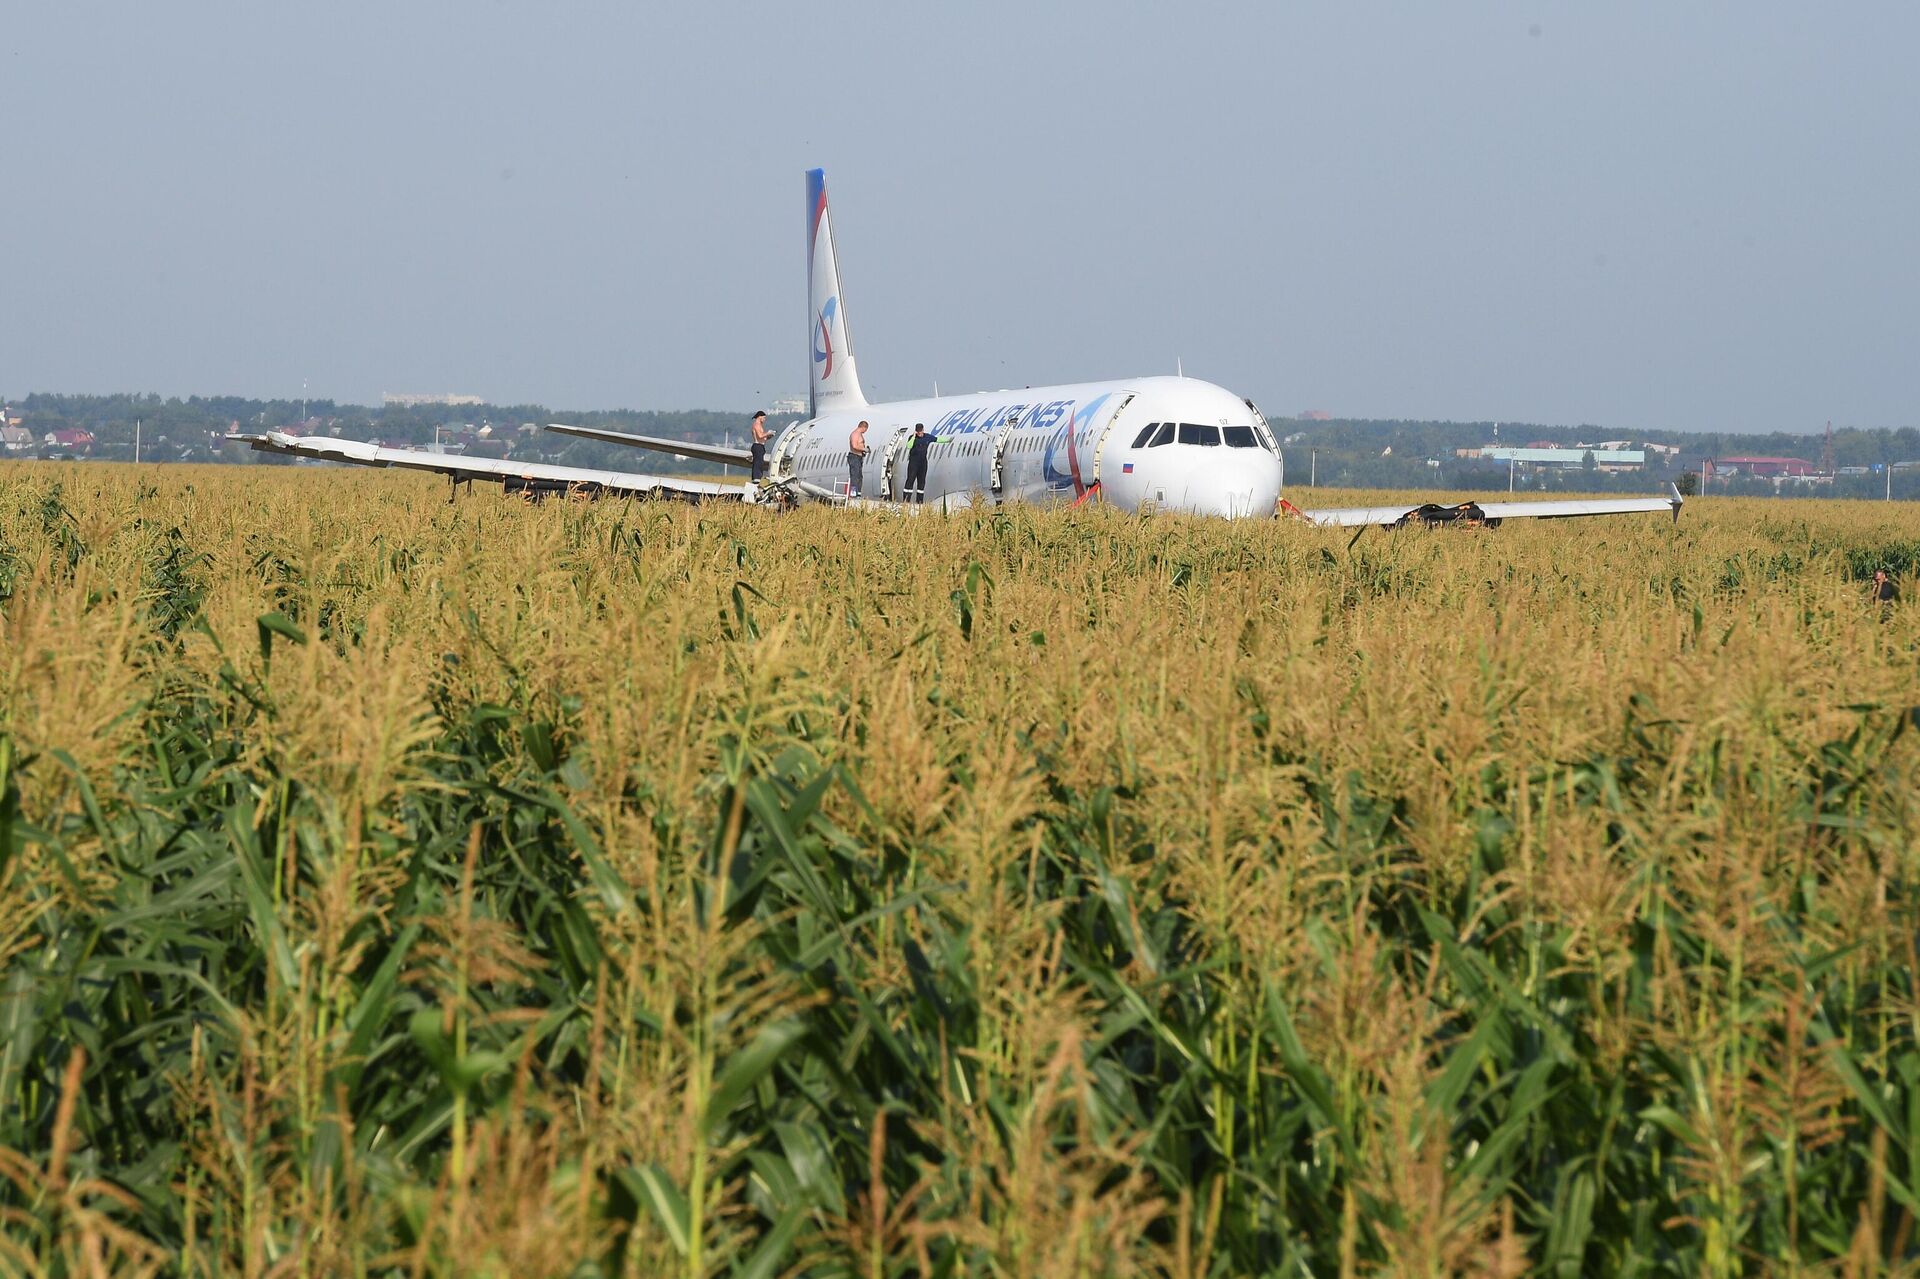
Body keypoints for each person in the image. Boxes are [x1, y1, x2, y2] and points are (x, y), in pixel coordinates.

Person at [903, 422, 946, 504]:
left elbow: (937, 439)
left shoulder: (927, 437)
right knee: (910, 480)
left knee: (921, 481)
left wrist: (948, 440)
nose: (920, 433)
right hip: (913, 462)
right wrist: (913, 437)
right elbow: (909, 446)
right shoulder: (912, 438)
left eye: (920, 431)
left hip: (923, 463)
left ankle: (919, 501)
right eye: (918, 432)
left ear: (923, 430)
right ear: (916, 431)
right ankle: (906, 499)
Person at [848, 420, 870, 498]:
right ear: (863, 427)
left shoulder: (859, 434)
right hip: (854, 456)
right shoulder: (855, 434)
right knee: (855, 476)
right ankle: (853, 493)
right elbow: (854, 446)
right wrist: (863, 449)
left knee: (859, 476)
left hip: (859, 457)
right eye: (866, 429)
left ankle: (858, 493)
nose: (865, 431)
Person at [748, 410, 770, 481]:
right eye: (764, 418)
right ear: (760, 417)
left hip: (761, 445)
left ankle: (758, 477)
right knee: (758, 462)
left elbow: (763, 438)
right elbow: (760, 436)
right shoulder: (756, 425)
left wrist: (769, 435)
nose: (764, 419)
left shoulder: (759, 425)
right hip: (757, 445)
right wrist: (768, 433)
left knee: (760, 463)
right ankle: (756, 478)